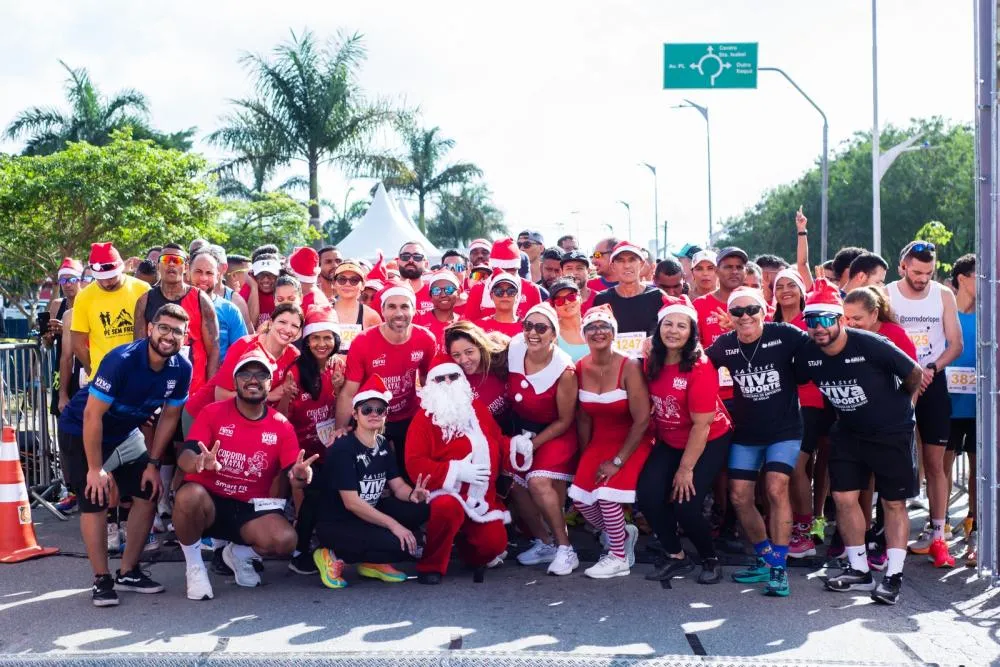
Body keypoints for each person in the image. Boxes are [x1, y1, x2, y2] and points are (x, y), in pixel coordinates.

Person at [796, 280, 924, 605]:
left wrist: (900, 406)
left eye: (826, 319)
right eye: (812, 321)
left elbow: (913, 373)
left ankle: (893, 576)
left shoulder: (870, 343)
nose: (819, 327)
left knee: (893, 503)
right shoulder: (808, 353)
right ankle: (859, 570)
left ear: (841, 319)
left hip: (891, 432)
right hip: (848, 431)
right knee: (843, 498)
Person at [58, 304, 193, 606]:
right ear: (150, 329)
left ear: (185, 337)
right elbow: (92, 416)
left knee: (148, 490)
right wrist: (96, 468)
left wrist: (154, 463)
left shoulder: (182, 368)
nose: (169, 336)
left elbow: (170, 417)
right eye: (163, 328)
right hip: (82, 430)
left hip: (125, 432)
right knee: (95, 499)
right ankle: (101, 579)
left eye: (177, 331)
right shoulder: (121, 360)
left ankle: (129, 571)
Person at [172, 349, 315, 600]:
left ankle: (238, 554)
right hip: (209, 502)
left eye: (261, 375)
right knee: (188, 496)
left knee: (285, 540)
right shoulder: (213, 412)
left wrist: (302, 475)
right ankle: (195, 566)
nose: (253, 380)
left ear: (270, 384)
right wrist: (198, 462)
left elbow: (295, 474)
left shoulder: (281, 425)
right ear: (235, 381)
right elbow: (185, 456)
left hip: (250, 508)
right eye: (245, 374)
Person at [705, 286, 810, 597]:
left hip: (784, 430)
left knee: (776, 488)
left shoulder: (785, 334)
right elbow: (696, 365)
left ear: (764, 311)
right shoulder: (725, 344)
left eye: (752, 309)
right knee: (739, 496)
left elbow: (821, 346)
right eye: (737, 311)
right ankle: (766, 557)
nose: (745, 316)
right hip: (747, 433)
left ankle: (779, 567)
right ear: (730, 316)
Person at [406, 354, 530, 583]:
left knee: (494, 545)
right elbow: (415, 463)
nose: (448, 382)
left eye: (453, 376)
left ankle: (466, 548)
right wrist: (454, 471)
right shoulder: (423, 418)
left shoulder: (476, 409)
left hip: (480, 498)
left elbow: (495, 439)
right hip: (446, 492)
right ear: (431, 384)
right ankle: (431, 565)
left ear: (462, 379)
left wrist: (515, 445)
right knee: (447, 508)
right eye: (440, 378)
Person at [639, 296, 732, 585]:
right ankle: (676, 555)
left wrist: (685, 469)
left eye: (682, 326)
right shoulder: (651, 359)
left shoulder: (699, 365)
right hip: (670, 438)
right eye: (668, 324)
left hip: (708, 438)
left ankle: (709, 558)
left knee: (686, 504)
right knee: (649, 495)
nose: (673, 331)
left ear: (692, 332)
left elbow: (702, 425)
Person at [310, 375, 432, 588]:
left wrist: (413, 494)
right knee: (400, 544)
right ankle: (330, 554)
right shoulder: (343, 448)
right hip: (339, 522)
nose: (374, 414)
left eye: (380, 409)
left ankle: (373, 562)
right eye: (367, 409)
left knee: (421, 510)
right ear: (355, 414)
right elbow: (352, 503)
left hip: (369, 514)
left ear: (386, 414)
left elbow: (397, 486)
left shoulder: (383, 443)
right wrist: (394, 526)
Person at [886, 241, 963, 567]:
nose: (921, 279)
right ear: (903, 266)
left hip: (933, 381)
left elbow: (955, 344)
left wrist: (931, 368)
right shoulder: (887, 293)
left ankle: (938, 536)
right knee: (894, 458)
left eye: (928, 273)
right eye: (916, 272)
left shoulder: (943, 295)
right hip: (897, 382)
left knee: (935, 463)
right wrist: (911, 372)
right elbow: (881, 338)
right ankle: (887, 533)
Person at [569, 307, 650, 578]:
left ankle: (618, 557)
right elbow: (583, 418)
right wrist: (584, 455)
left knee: (606, 496)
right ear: (584, 335)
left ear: (614, 333)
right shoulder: (580, 367)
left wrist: (618, 461)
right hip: (600, 439)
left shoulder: (630, 366)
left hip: (633, 438)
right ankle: (622, 534)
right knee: (581, 499)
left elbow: (642, 420)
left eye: (604, 326)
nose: (598, 332)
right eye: (591, 327)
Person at [507, 303, 580, 575]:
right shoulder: (514, 348)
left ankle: (565, 548)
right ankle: (545, 542)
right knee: (509, 479)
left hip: (556, 432)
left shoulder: (564, 370)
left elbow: (565, 420)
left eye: (541, 328)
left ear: (553, 334)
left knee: (537, 481)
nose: (533, 333)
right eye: (528, 326)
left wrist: (533, 444)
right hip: (522, 431)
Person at [336, 285, 437, 478]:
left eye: (404, 306)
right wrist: (340, 429)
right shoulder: (363, 341)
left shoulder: (425, 339)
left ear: (414, 310)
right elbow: (349, 392)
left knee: (409, 473)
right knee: (369, 477)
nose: (399, 313)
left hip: (408, 415)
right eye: (391, 307)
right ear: (382, 311)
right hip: (371, 416)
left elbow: (429, 383)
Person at [280, 306, 344, 575]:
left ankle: (331, 544)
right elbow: (281, 418)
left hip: (328, 446)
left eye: (327, 337)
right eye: (315, 338)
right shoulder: (295, 371)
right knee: (314, 491)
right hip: (298, 449)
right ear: (306, 341)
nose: (321, 344)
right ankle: (300, 550)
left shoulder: (339, 366)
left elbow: (342, 411)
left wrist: (340, 389)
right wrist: (285, 395)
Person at [771, 267, 830, 557]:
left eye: (791, 285)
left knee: (796, 465)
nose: (785, 290)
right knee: (785, 469)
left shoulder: (811, 321)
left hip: (810, 402)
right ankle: (792, 524)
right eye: (779, 286)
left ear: (801, 290)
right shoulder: (768, 323)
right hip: (777, 404)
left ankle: (806, 529)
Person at [184, 302, 303, 420]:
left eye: (294, 326)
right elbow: (220, 395)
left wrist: (286, 394)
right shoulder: (244, 346)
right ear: (271, 323)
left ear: (299, 332)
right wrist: (269, 396)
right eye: (282, 322)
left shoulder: (294, 356)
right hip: (203, 414)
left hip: (245, 421)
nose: (287, 329)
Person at [134, 244, 220, 400]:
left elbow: (213, 349)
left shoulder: (201, 299)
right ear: (158, 266)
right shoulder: (144, 300)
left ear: (186, 267)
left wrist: (210, 390)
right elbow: (139, 349)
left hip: (193, 387)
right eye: (166, 260)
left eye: (177, 260)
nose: (171, 264)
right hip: (156, 388)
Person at [70, 242, 150, 380]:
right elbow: (78, 344)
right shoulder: (84, 297)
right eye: (100, 279)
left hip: (139, 374)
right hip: (103, 378)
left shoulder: (142, 289)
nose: (106, 283)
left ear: (121, 269)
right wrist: (94, 371)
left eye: (112, 277)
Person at [944, 254, 977, 567]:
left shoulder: (991, 316)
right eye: (980, 275)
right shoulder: (944, 312)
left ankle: (974, 530)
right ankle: (938, 529)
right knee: (941, 468)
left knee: (979, 470)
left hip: (979, 406)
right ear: (963, 278)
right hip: (946, 403)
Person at [592, 242, 664, 358]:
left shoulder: (658, 297)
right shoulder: (602, 299)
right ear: (613, 266)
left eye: (632, 260)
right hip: (615, 366)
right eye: (621, 261)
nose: (627, 265)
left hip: (650, 365)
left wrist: (654, 338)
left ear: (641, 264)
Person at [693, 247, 747, 402]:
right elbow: (693, 348)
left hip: (752, 390)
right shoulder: (699, 305)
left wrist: (738, 329)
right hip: (715, 394)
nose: (734, 271)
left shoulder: (756, 303)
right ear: (717, 271)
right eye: (728, 267)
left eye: (739, 267)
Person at [463, 238, 545, 321]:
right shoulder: (478, 289)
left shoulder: (531, 289)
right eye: (501, 270)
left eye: (511, 270)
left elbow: (539, 322)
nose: (506, 275)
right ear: (492, 268)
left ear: (517, 268)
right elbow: (468, 324)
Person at [189, 250, 247, 362]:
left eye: (209, 273)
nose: (203, 278)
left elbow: (241, 352)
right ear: (188, 272)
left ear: (218, 276)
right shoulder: (177, 305)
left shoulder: (230, 310)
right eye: (198, 272)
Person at [445, 321, 510, 421]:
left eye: (469, 352)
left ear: (481, 347)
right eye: (456, 355)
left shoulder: (504, 355)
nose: (464, 360)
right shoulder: (454, 380)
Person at [331, 262, 382, 353]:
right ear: (334, 283)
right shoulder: (323, 312)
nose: (347, 284)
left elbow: (378, 351)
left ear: (363, 285)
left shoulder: (372, 316)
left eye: (354, 280)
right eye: (342, 279)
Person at [413, 271, 462, 348]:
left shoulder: (463, 323)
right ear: (430, 295)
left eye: (449, 289)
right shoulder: (416, 318)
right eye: (436, 290)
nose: (443, 295)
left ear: (458, 293)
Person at [549, 278, 589, 362]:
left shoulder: (594, 324)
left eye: (571, 297)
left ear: (580, 298)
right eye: (559, 300)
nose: (567, 302)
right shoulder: (552, 334)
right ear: (554, 307)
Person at [241, 251, 282, 328]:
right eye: (260, 275)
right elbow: (251, 324)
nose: (266, 280)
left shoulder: (284, 289)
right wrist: (254, 287)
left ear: (278, 275)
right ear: (253, 275)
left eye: (271, 275)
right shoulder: (248, 288)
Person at [476, 271, 523, 338]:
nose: (505, 295)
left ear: (517, 296)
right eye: (499, 291)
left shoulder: (527, 327)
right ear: (491, 296)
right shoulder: (479, 327)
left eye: (511, 291)